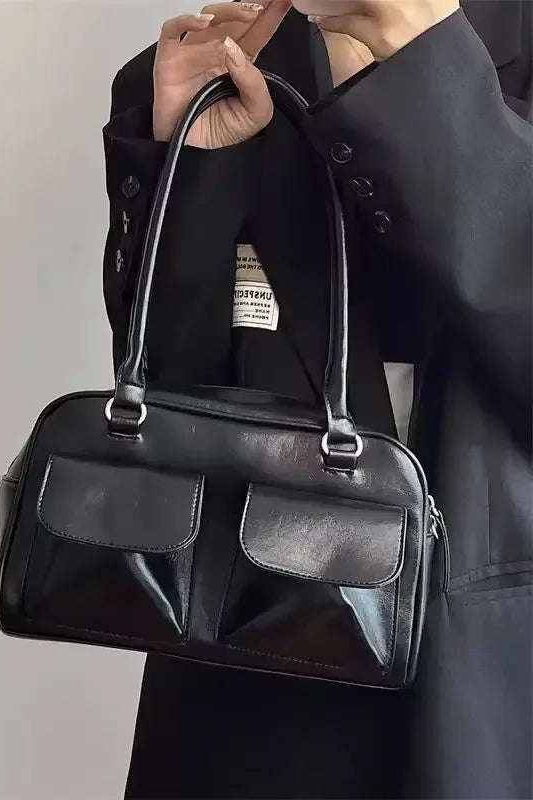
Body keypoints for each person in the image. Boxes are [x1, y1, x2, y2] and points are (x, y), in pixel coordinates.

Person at [101, 1, 532, 797]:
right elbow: (161, 413)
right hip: (255, 688)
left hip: (499, 688)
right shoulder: (208, 66)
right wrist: (194, 174)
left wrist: (429, 76)